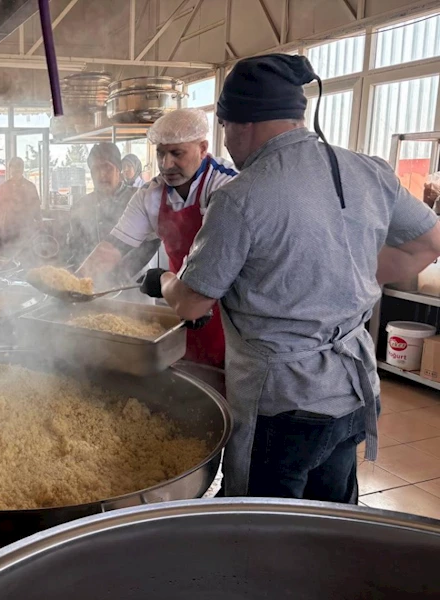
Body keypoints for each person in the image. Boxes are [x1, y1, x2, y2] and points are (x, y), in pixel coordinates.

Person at [139, 54, 440, 503]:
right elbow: (428, 244)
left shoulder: (241, 196)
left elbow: (191, 303)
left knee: (262, 527)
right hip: (352, 393)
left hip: (284, 404)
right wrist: (340, 274)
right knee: (330, 519)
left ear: (239, 123)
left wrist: (161, 277)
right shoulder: (367, 170)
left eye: (224, 128)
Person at [77, 109, 237, 367]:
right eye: (161, 153)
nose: (166, 164)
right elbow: (111, 248)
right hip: (180, 310)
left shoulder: (227, 187)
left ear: (203, 147)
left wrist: (164, 280)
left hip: (231, 320)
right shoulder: (150, 195)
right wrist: (73, 286)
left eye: (177, 153)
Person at [68, 143, 159, 283]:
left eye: (107, 167)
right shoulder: (81, 205)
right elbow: (76, 245)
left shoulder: (137, 199)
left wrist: (120, 274)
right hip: (92, 280)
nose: (101, 174)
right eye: (95, 169)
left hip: (133, 283)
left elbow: (151, 244)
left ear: (119, 170)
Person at [0, 157, 42, 248]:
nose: (16, 171)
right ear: (9, 170)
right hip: (8, 228)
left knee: (26, 254)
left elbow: (36, 207)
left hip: (26, 227)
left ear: (22, 169)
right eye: (13, 169)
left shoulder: (30, 187)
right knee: (8, 254)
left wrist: (40, 223)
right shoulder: (4, 187)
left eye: (18, 168)